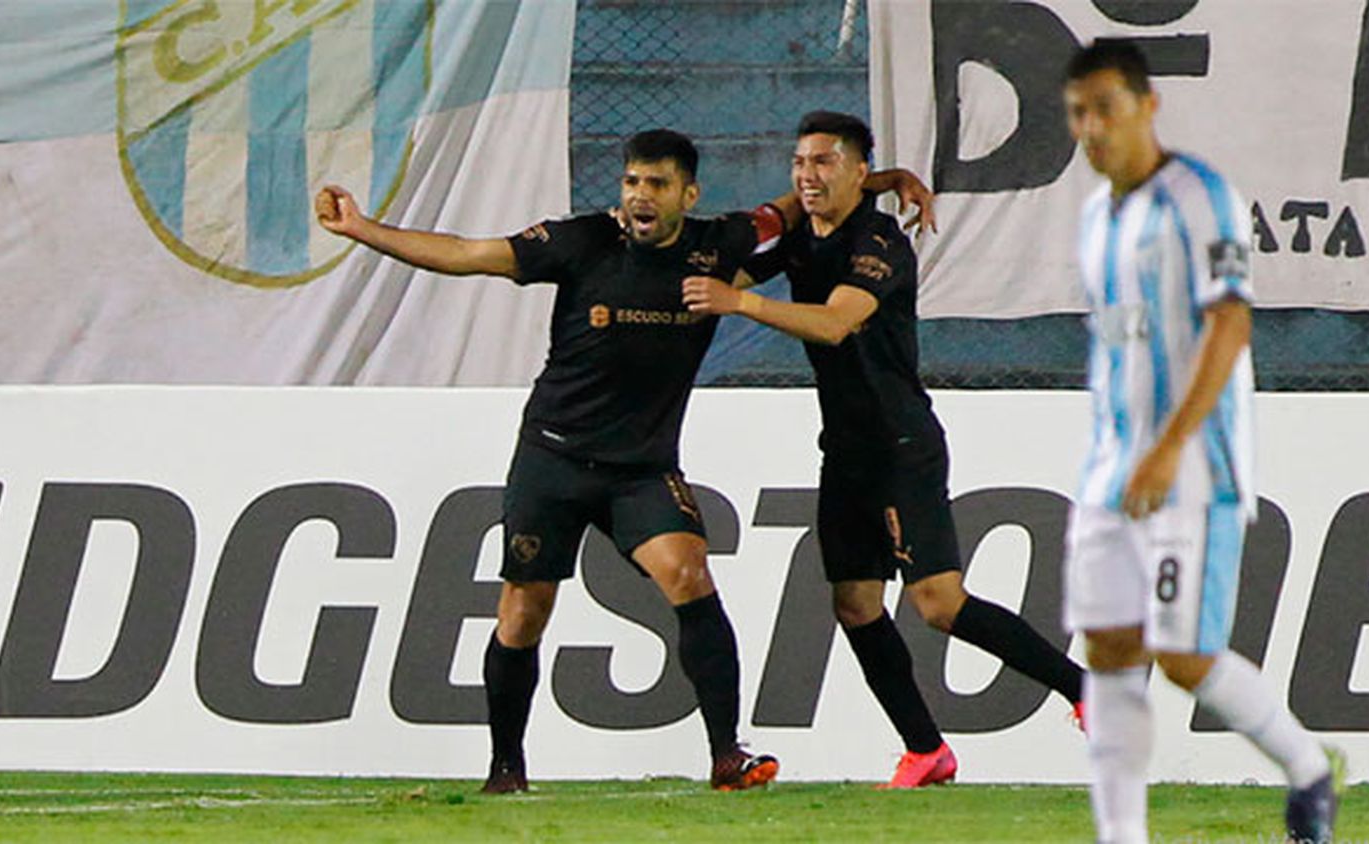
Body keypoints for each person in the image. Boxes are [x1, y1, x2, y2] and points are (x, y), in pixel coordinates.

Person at [314, 129, 932, 794]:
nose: (640, 196)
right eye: (633, 182)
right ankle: (506, 768)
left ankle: (728, 756)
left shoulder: (719, 244)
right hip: (552, 460)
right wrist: (362, 229)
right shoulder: (581, 242)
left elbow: (796, 207)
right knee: (523, 611)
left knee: (690, 573)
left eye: (657, 185)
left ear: (687, 195)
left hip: (641, 471)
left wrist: (877, 179)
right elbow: (468, 254)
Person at [681, 111, 1086, 790]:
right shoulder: (805, 235)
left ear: (857, 171)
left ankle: (1085, 689)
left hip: (902, 446)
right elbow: (741, 274)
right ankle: (926, 751)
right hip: (845, 451)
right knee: (855, 604)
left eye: (824, 163)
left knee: (939, 602)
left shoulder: (880, 239)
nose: (808, 176)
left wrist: (735, 304)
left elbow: (836, 322)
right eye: (800, 163)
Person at [1058, 39, 1344, 843]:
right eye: (1079, 113)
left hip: (1192, 469)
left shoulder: (1200, 199)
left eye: (1106, 109)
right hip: (1110, 473)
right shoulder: (1094, 220)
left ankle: (1307, 767)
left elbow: (1230, 324)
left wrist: (1169, 444)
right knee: (1109, 651)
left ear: (1148, 106)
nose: (1092, 129)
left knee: (1183, 657)